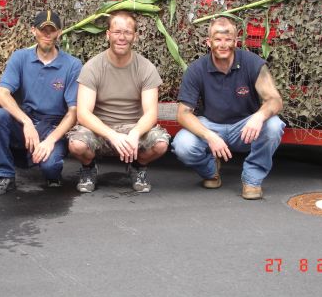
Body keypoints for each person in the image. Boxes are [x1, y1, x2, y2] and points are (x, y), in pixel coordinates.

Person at [171, 17, 285, 200]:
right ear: (208, 42)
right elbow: (183, 114)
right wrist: (210, 136)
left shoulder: (252, 63)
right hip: (211, 126)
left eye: (228, 39)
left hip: (244, 128)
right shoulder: (196, 69)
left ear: (236, 41)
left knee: (274, 125)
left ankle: (252, 179)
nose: (223, 44)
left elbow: (275, 100)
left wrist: (259, 116)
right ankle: (211, 171)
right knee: (182, 145)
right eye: (217, 39)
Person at [68, 11, 170, 193]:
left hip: (133, 128)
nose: (122, 37)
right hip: (100, 129)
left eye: (127, 32)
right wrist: (112, 135)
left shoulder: (146, 68)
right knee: (77, 145)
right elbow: (83, 114)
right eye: (117, 32)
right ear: (108, 35)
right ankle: (89, 167)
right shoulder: (93, 67)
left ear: (135, 36)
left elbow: (151, 113)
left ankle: (138, 166)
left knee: (160, 144)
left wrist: (135, 133)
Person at [0, 10, 82, 195]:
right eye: (43, 30)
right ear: (33, 31)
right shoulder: (20, 57)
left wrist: (50, 141)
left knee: (51, 168)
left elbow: (73, 112)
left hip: (53, 126)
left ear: (59, 33)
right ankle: (3, 176)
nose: (47, 34)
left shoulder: (72, 65)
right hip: (27, 120)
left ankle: (49, 167)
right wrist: (26, 122)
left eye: (52, 30)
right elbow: (2, 94)